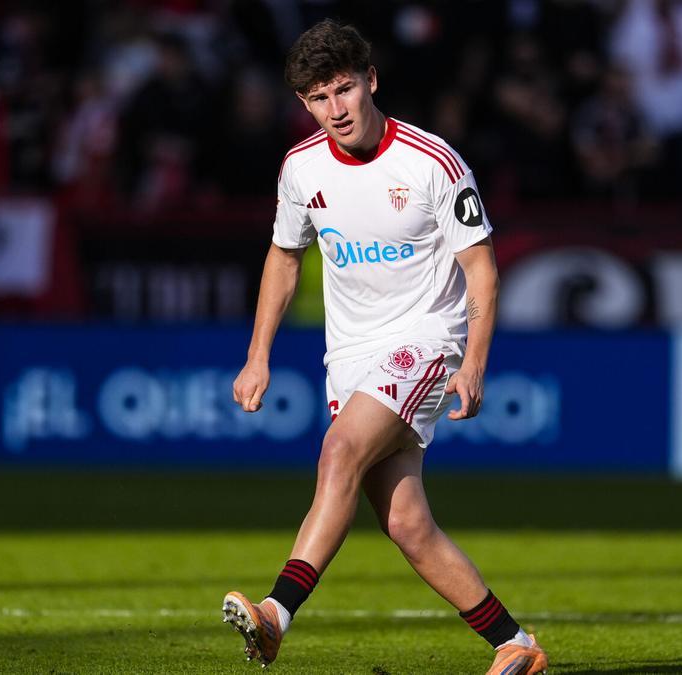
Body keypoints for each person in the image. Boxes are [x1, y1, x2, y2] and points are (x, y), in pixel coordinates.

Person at [221, 21, 548, 675]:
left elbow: (481, 268)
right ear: (304, 104)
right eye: (318, 98)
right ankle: (516, 644)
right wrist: (257, 354)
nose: (335, 109)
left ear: (371, 80)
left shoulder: (432, 162)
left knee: (339, 450)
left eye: (344, 89)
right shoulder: (301, 168)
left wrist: (473, 361)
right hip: (349, 355)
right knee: (405, 522)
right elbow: (284, 258)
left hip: (426, 339)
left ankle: (277, 612)